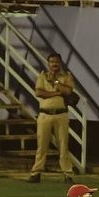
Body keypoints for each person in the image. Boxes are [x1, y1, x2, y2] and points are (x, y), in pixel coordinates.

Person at [28, 52, 75, 184]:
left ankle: (68, 174)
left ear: (60, 63)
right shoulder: (43, 76)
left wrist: (55, 81)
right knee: (42, 146)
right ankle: (36, 173)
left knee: (63, 145)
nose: (54, 64)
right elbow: (39, 92)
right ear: (48, 63)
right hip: (45, 114)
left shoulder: (66, 76)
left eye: (57, 62)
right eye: (52, 62)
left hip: (61, 114)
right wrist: (56, 93)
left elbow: (68, 91)